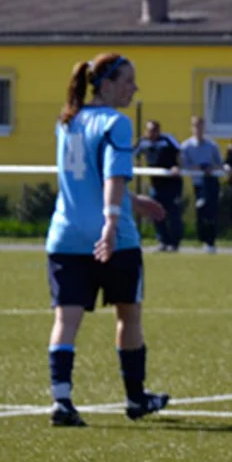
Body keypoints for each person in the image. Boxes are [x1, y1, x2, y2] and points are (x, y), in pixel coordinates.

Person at [44, 53, 172, 426]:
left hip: (65, 236)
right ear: (107, 84)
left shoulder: (66, 121)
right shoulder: (116, 123)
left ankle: (62, 401)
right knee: (128, 313)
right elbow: (112, 178)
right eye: (129, 80)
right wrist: (111, 225)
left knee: (66, 320)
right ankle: (135, 398)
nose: (134, 88)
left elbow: (90, 181)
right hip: (113, 238)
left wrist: (135, 200)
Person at [136, 118, 184, 252]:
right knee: (156, 212)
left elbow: (179, 153)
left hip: (172, 183)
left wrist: (177, 166)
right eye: (150, 131)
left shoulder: (167, 140)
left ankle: (175, 243)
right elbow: (134, 153)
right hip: (156, 184)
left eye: (155, 130)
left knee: (173, 213)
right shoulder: (142, 142)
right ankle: (163, 241)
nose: (152, 133)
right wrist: (137, 164)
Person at [181, 115, 225, 253]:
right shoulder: (186, 146)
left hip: (211, 182)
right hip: (198, 183)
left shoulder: (212, 145)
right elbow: (184, 164)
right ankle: (202, 238)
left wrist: (212, 169)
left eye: (200, 126)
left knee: (211, 212)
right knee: (201, 211)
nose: (198, 129)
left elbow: (220, 164)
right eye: (195, 126)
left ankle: (210, 242)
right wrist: (198, 168)